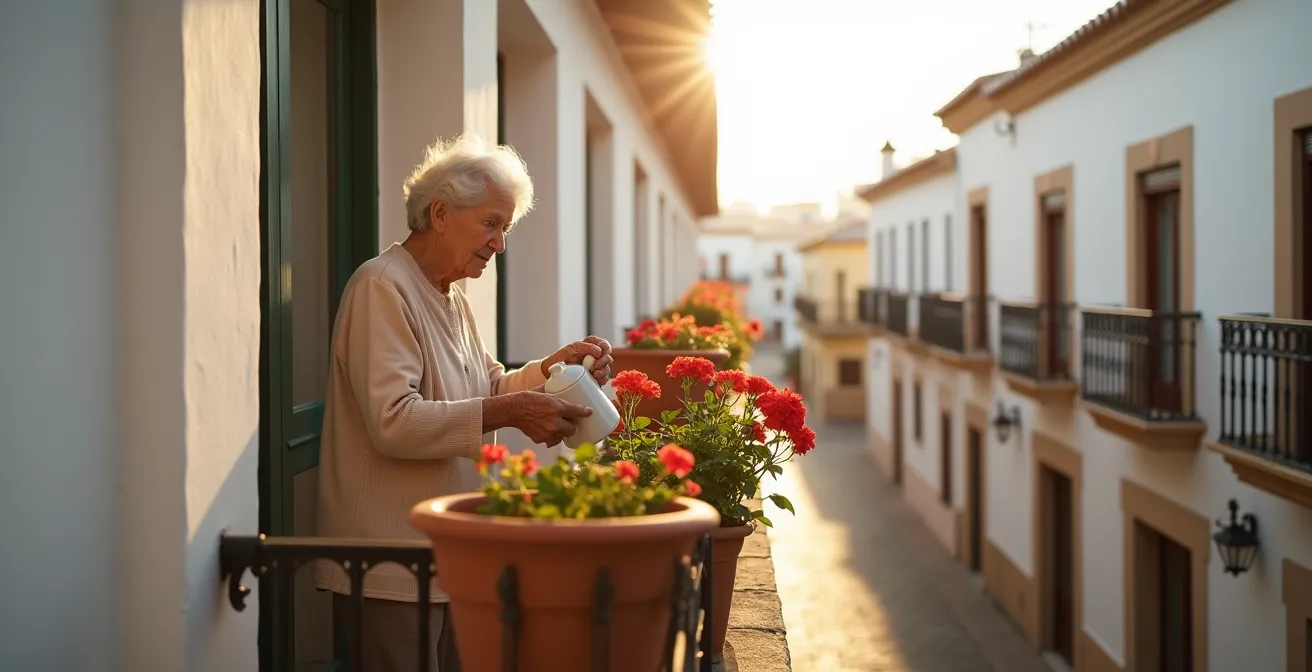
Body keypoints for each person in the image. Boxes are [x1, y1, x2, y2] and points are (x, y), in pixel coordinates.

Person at [314, 134, 613, 671]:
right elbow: (394, 421)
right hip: (389, 565)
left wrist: (553, 371)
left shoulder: (450, 294)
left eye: (506, 228)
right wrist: (514, 412)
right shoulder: (382, 287)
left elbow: (489, 387)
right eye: (491, 223)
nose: (500, 244)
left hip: (448, 555)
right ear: (439, 214)